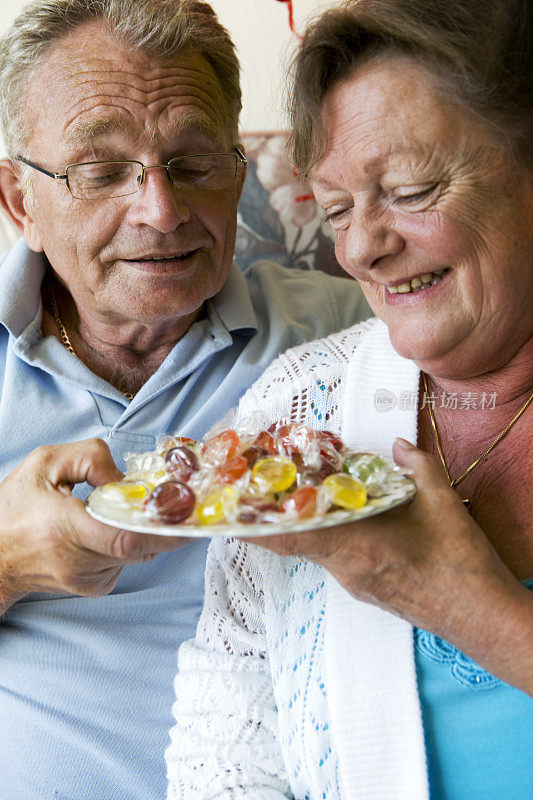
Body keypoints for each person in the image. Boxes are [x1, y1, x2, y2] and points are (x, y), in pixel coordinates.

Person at [0, 1, 370, 798]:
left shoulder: (350, 333)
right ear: (21, 202)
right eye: (101, 171)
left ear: (239, 171)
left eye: (194, 162)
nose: (161, 212)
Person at [166, 0, 533, 797]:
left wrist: (482, 616)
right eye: (335, 209)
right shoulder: (296, 411)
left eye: (409, 188)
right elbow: (221, 759)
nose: (362, 247)